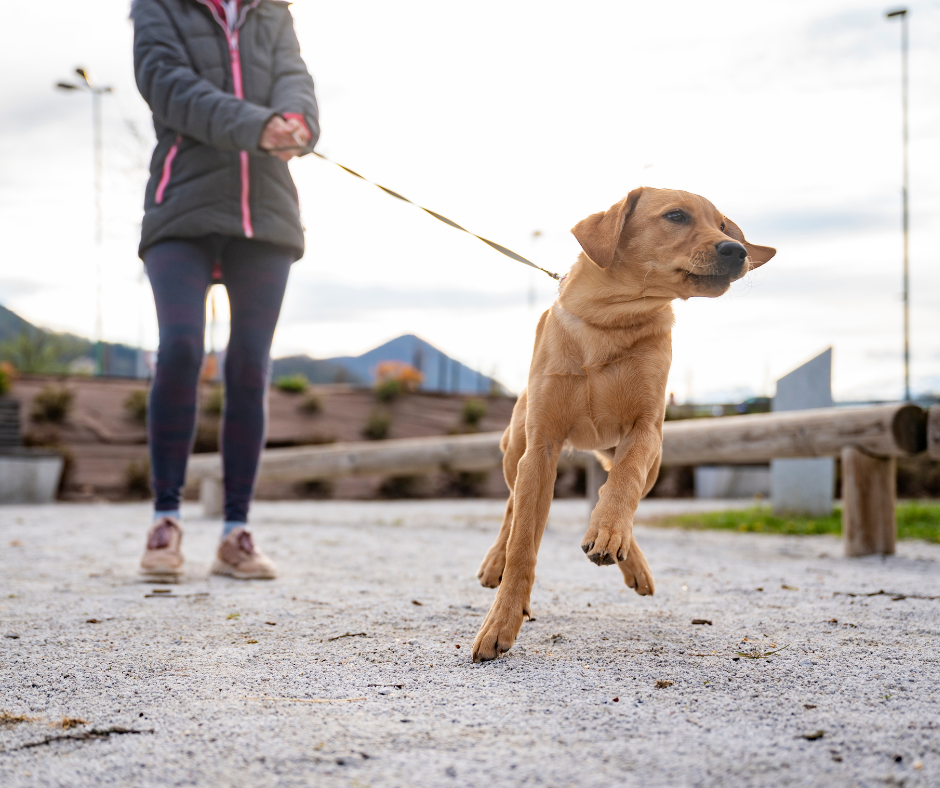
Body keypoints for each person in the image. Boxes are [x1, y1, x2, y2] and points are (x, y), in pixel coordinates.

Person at [131, 0, 319, 580]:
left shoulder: (271, 11)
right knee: (183, 347)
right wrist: (254, 126)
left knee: (249, 364)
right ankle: (166, 518)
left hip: (266, 215)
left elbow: (296, 78)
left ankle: (235, 531)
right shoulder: (157, 6)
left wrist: (297, 122)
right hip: (181, 208)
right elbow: (165, 84)